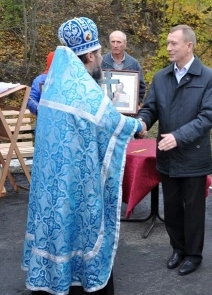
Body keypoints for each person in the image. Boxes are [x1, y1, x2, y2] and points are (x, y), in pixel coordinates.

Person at [21, 17, 145, 295]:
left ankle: (51, 281)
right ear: (90, 55)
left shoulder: (56, 82)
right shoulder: (85, 91)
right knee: (78, 231)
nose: (102, 58)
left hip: (51, 184)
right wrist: (139, 125)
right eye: (100, 53)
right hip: (75, 184)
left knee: (55, 231)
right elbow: (113, 125)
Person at [136, 24, 212, 276]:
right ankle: (178, 249)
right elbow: (150, 108)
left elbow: (208, 117)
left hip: (194, 156)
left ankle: (194, 255)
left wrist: (178, 136)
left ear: (189, 46)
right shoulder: (161, 77)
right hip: (167, 156)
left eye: (173, 43)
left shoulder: (209, 77)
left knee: (193, 210)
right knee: (171, 208)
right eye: (167, 43)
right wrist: (142, 122)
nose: (168, 48)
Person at [102, 30, 146, 104]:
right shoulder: (100, 62)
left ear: (125, 44)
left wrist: (134, 105)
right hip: (105, 109)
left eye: (119, 42)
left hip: (126, 108)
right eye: (113, 42)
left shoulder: (134, 64)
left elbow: (141, 88)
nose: (115, 45)